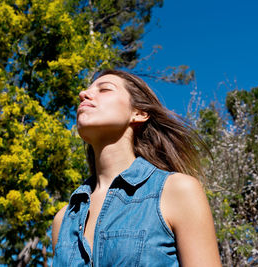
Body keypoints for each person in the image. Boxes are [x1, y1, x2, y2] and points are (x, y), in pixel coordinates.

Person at [51, 70, 222, 266]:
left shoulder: (177, 190)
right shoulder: (63, 219)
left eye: (105, 89)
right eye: (86, 90)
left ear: (139, 113)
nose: (83, 94)